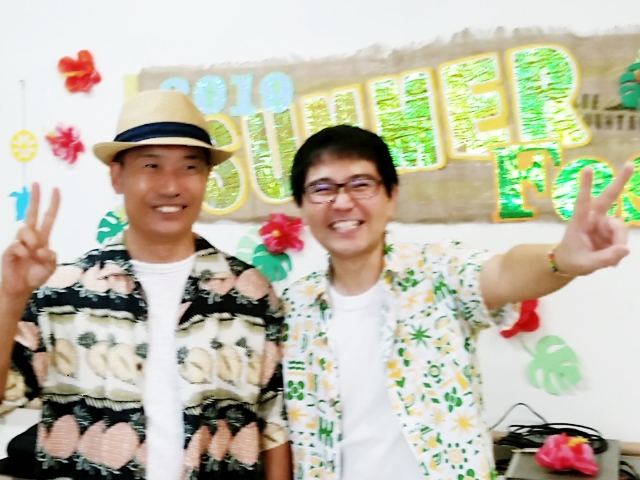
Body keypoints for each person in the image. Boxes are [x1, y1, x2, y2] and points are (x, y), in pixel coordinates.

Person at [281, 125, 631, 480]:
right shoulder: (292, 308)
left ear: (391, 196)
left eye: (361, 184)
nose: (342, 202)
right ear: (302, 206)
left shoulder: (440, 271)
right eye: (322, 189)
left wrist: (561, 259)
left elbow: (504, 272)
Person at [0, 90, 292, 480]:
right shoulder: (61, 293)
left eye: (189, 167)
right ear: (117, 176)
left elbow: (274, 426)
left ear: (207, 177)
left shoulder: (251, 295)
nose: (171, 186)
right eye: (151, 165)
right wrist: (10, 297)